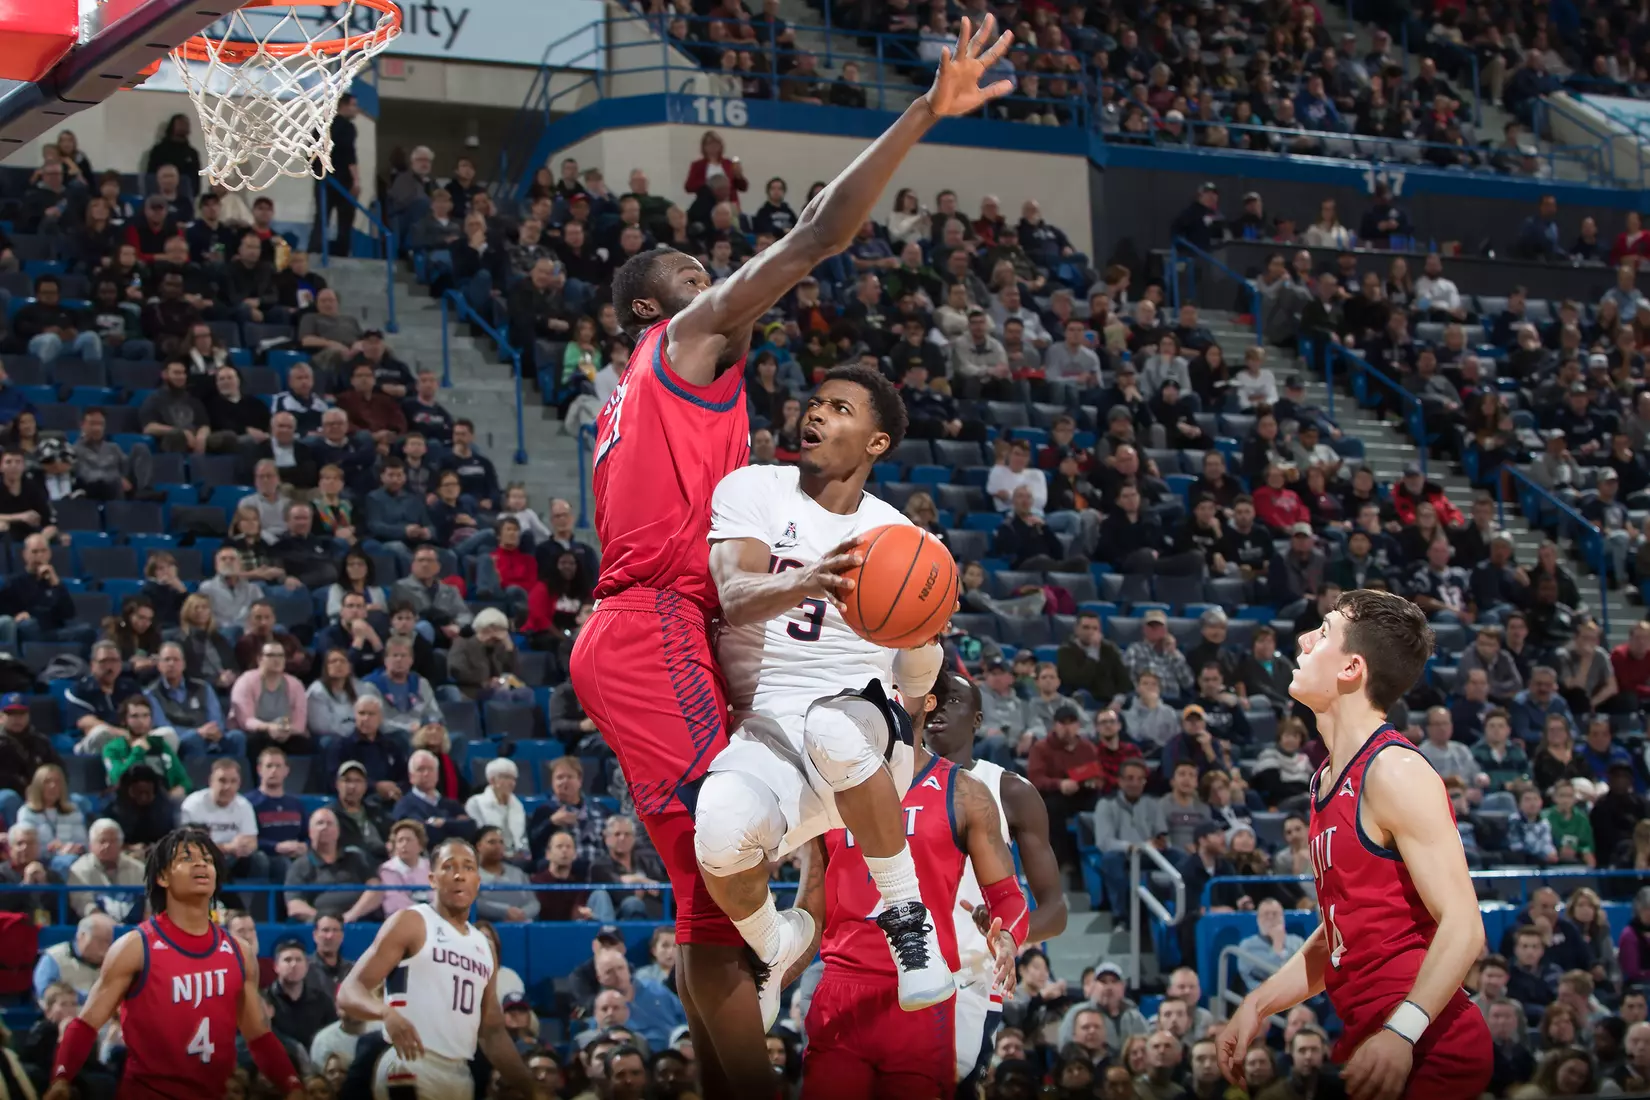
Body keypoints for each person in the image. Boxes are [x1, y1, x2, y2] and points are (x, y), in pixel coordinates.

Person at [568, 28, 1014, 1097]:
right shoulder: (680, 345)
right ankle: (832, 918)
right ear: (652, 309)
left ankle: (809, 920)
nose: (718, 280)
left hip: (660, 626)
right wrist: (921, 113)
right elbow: (815, 235)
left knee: (710, 895)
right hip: (656, 623)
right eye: (693, 275)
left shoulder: (692, 419)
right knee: (718, 897)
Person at [690, 367, 956, 1028]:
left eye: (840, 408)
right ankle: (776, 943)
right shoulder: (755, 487)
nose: (817, 415)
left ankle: (904, 914)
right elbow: (736, 594)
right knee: (718, 833)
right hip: (767, 731)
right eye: (815, 403)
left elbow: (917, 681)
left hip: (862, 724)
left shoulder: (899, 539)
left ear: (876, 442)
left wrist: (926, 637)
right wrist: (810, 578)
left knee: (829, 728)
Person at [1219, 591, 1493, 1098]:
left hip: (1429, 1043)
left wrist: (1401, 1032)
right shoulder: (1326, 776)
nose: (1302, 639)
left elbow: (1464, 924)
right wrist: (1258, 1002)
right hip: (1378, 1035)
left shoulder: (1394, 770)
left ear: (1351, 668)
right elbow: (1340, 931)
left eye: (1322, 632)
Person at [792, 678, 1023, 1100]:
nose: (888, 689)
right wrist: (772, 977)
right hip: (842, 988)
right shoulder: (826, 792)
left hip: (926, 994)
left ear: (927, 700)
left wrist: (1007, 937)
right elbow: (811, 901)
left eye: (901, 681)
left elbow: (1007, 895)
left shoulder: (965, 792)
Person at [41, 826, 303, 1099]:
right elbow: (86, 1024)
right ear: (163, 876)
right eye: (187, 858)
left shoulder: (239, 951)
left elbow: (258, 1036)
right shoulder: (134, 947)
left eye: (208, 860)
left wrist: (293, 1085)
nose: (201, 863)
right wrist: (61, 1078)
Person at [922, 670, 1067, 1088]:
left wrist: (1010, 933)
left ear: (978, 719)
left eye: (952, 701)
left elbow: (1055, 911)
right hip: (894, 968)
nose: (938, 708)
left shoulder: (1009, 790)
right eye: (932, 698)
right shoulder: (888, 782)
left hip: (970, 975)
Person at [335, 837, 538, 1098]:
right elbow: (349, 991)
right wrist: (384, 1012)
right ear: (432, 879)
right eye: (449, 866)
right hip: (412, 1063)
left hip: (459, 1072)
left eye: (468, 867)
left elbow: (493, 1032)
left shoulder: (484, 946)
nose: (459, 875)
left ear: (478, 881)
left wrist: (532, 1090)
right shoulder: (412, 921)